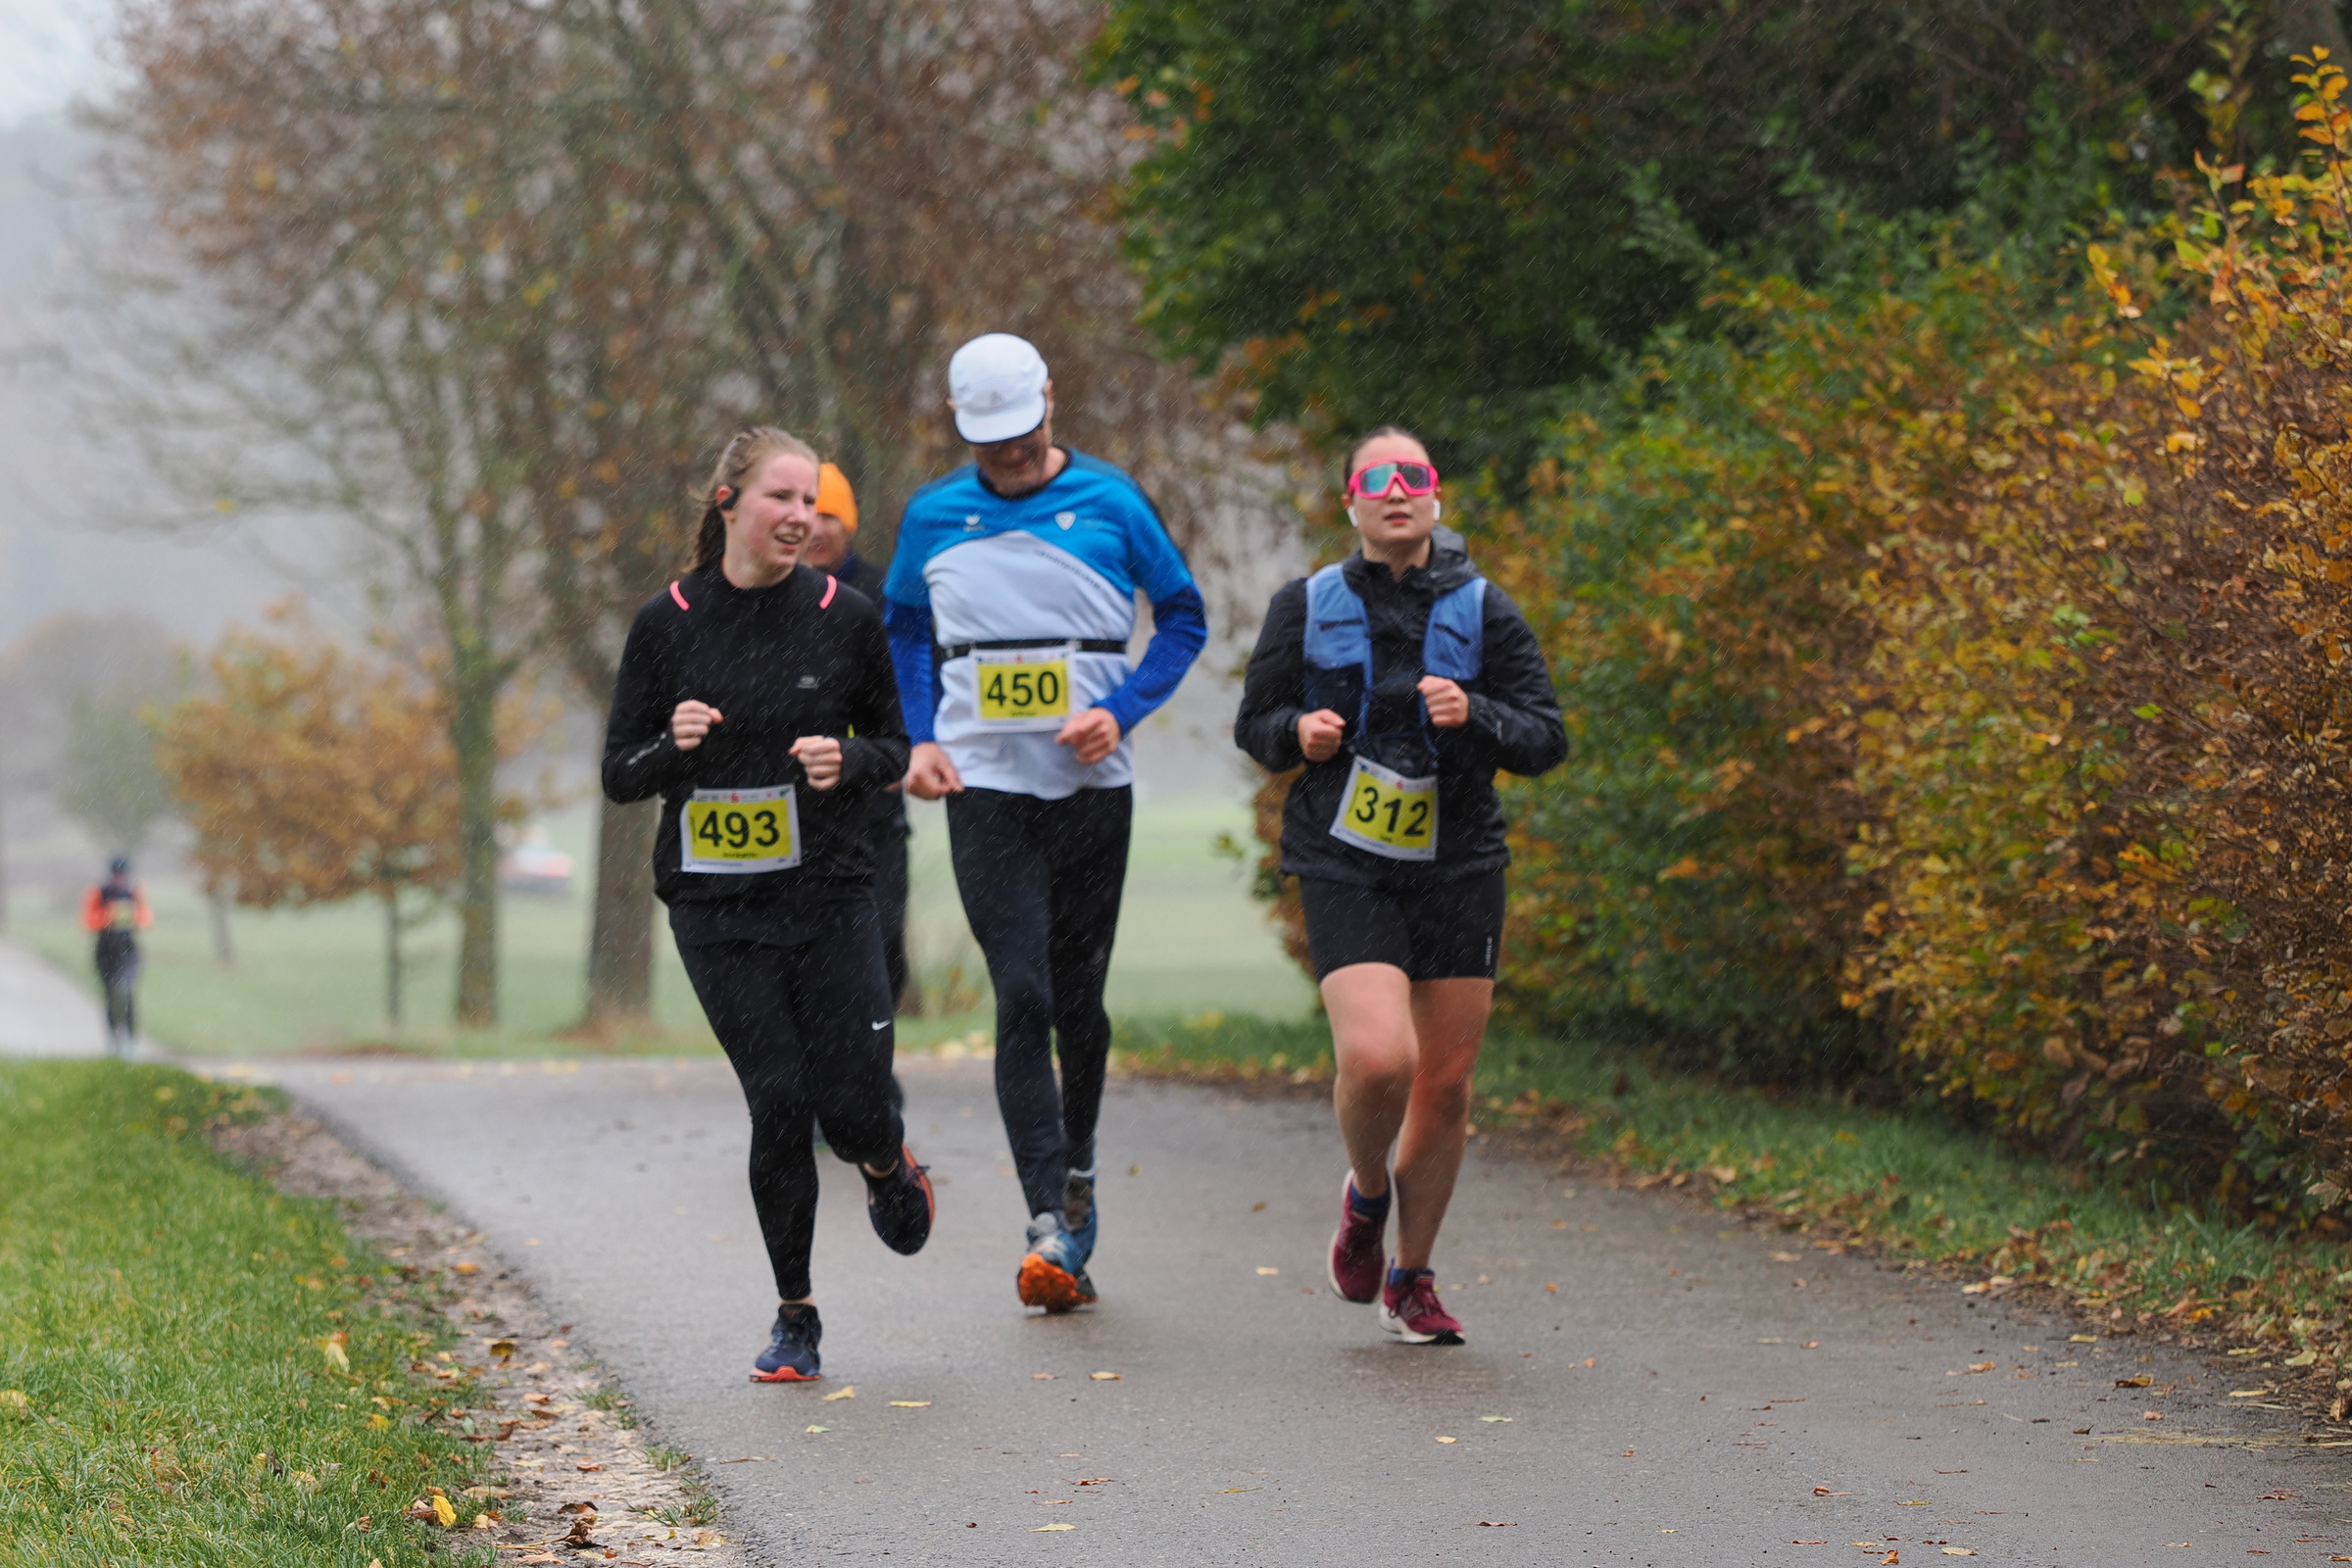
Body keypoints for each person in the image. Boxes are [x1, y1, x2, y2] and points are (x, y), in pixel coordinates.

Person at [883, 332, 1206, 1312]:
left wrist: (1124, 709)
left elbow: (1183, 616)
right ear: (960, 426)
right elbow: (904, 628)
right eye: (993, 442)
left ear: (1051, 402)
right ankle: (1046, 1221)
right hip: (984, 787)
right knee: (1021, 993)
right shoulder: (933, 515)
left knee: (1079, 1001)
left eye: (1025, 435)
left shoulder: (1112, 500)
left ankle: (1080, 1169)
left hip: (1091, 788)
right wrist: (920, 737)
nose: (1014, 455)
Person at [602, 426, 933, 1383]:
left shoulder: (844, 615)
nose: (801, 518)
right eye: (781, 498)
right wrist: (671, 745)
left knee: (855, 1104)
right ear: (728, 503)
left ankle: (883, 1160)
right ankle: (796, 1314)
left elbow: (895, 747)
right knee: (780, 1098)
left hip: (830, 893)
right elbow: (620, 774)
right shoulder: (665, 623)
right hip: (715, 908)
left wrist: (849, 758)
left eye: (811, 502)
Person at [1233, 427, 1565, 1346]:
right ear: (1351, 503)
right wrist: (1297, 734)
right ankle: (1366, 1194)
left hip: (1459, 862)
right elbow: (1256, 724)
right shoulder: (1305, 604)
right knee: (1382, 1059)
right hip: (1345, 857)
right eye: (1375, 479)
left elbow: (1546, 736)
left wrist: (1477, 713)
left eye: (1411, 476)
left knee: (1446, 1087)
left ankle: (1412, 1278)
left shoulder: (1485, 609)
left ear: (1435, 498)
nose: (1395, 490)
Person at [799, 461, 910, 1009]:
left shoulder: (884, 595)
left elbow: (915, 679)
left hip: (873, 803)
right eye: (809, 515)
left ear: (849, 524)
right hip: (797, 802)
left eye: (830, 516)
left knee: (881, 941)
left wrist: (902, 752)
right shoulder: (769, 597)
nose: (817, 529)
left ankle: (872, 1048)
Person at [81, 857, 151, 1057]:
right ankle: (114, 1042)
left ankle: (131, 1041)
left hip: (127, 950)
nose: (119, 879)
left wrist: (130, 912)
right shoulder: (99, 892)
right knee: (111, 996)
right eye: (116, 875)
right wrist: (108, 916)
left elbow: (145, 919)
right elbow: (88, 921)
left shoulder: (133, 893)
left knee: (127, 993)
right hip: (105, 951)